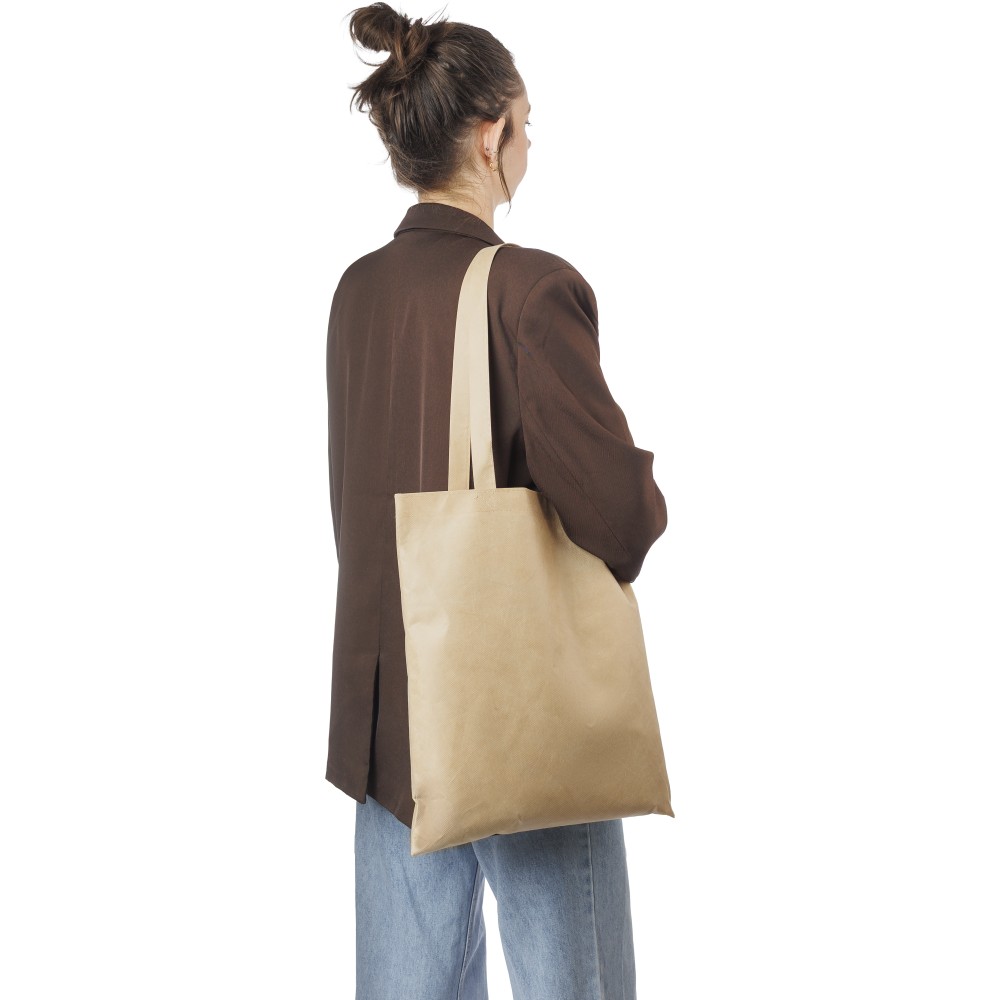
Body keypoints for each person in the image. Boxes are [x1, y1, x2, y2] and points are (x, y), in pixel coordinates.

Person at [326, 4, 669, 997]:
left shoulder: (356, 294)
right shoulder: (528, 290)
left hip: (387, 736)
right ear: (492, 135)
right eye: (527, 124)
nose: (528, 144)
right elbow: (616, 518)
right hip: (512, 720)